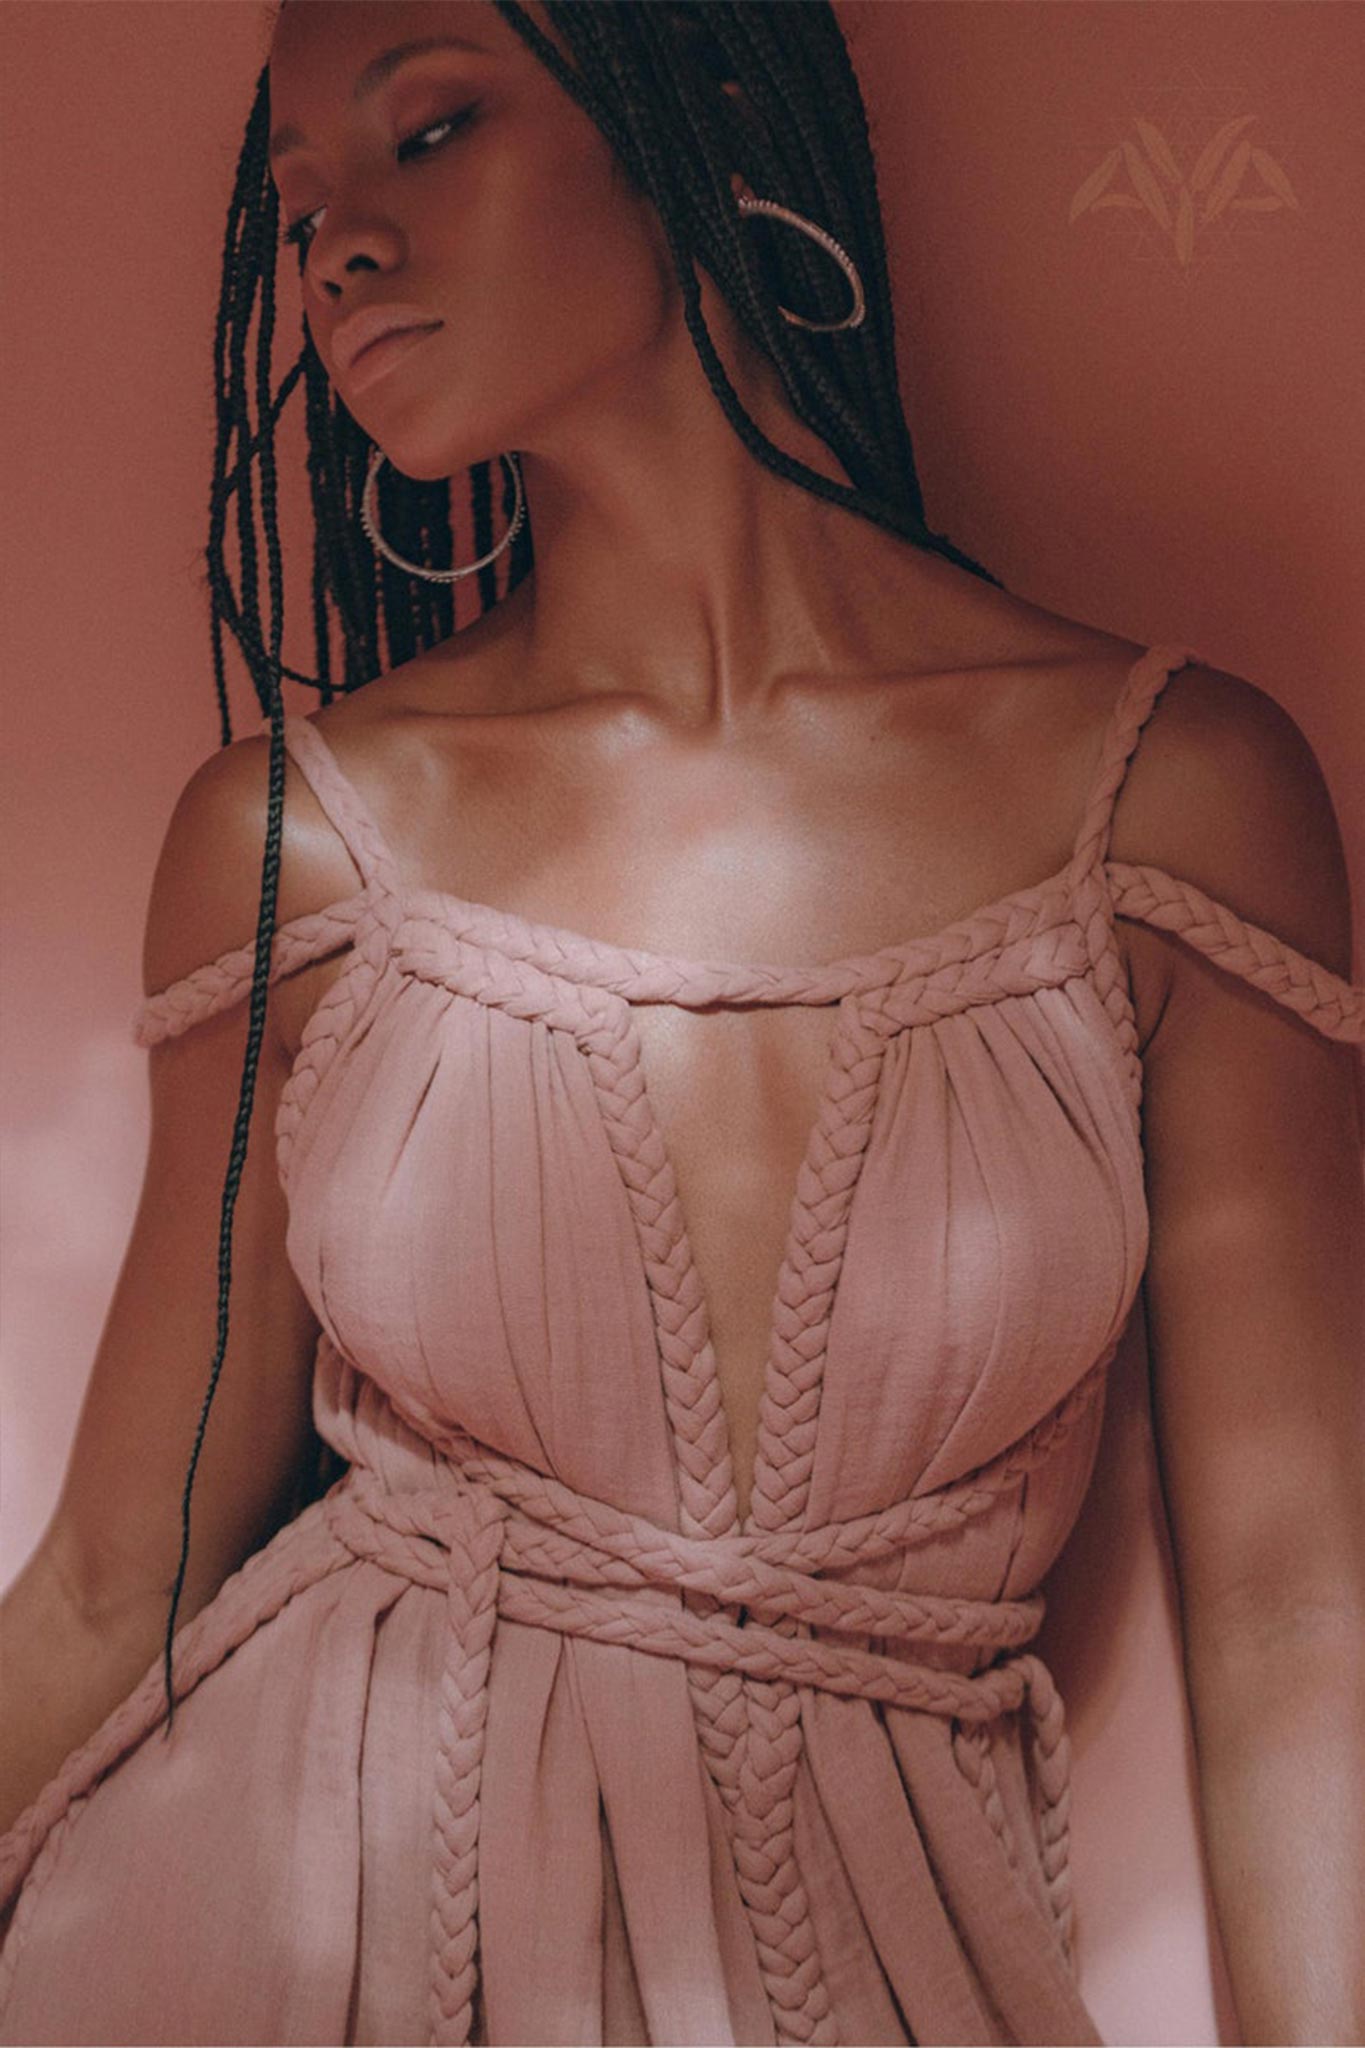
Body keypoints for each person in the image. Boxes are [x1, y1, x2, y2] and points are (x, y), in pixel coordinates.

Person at [1, 3, 1362, 2043]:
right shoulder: (294, 843)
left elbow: (1290, 1606)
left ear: (703, 120)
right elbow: (118, 1579)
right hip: (260, 1949)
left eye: (432, 127)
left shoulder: (1168, 802)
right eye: (296, 217)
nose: (342, 246)